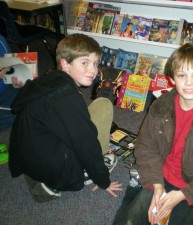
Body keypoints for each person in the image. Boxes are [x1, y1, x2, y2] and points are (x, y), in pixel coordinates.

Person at [113, 43, 193, 225]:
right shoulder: (160, 107)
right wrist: (156, 185)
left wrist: (183, 194)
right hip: (159, 176)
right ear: (172, 78)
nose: (188, 82)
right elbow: (145, 147)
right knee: (129, 221)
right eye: (181, 75)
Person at [8, 33, 123, 202]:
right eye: (85, 62)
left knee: (102, 105)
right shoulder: (67, 97)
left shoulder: (50, 77)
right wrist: (103, 180)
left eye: (95, 63)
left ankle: (42, 174)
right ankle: (57, 182)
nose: (93, 70)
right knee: (90, 134)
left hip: (29, 154)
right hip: (52, 167)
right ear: (65, 64)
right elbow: (86, 144)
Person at [0, 34, 24, 164]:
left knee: (30, 94)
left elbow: (10, 64)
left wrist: (15, 77)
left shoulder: (1, 40)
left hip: (5, 90)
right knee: (19, 109)